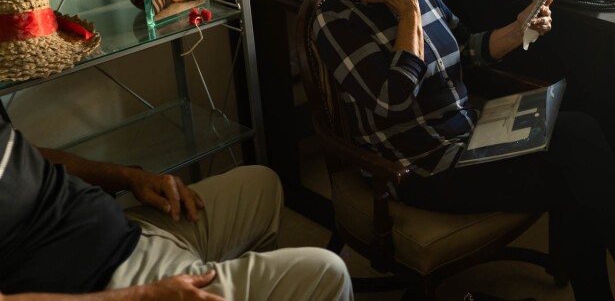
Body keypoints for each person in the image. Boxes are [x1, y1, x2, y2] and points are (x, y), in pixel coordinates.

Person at [312, 0, 615, 301]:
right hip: (423, 170)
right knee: (579, 175)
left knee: (582, 130)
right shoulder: (336, 19)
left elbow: (465, 46)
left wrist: (516, 29)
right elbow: (392, 100)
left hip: (471, 138)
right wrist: (407, 14)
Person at [0, 118, 353, 300]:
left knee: (261, 184)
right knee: (327, 272)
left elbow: (28, 154)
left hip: (128, 229)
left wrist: (126, 178)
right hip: (107, 282)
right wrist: (143, 296)